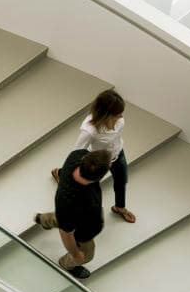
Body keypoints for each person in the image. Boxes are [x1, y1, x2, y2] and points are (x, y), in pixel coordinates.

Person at [52, 89, 136, 223]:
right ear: (106, 113)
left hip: (118, 154)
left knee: (121, 181)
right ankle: (60, 174)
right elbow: (76, 153)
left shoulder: (119, 120)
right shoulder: (90, 131)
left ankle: (120, 207)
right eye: (117, 114)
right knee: (87, 190)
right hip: (98, 162)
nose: (121, 116)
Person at [35, 148, 110, 279]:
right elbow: (66, 235)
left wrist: (61, 175)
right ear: (100, 177)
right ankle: (65, 264)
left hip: (72, 216)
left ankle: (43, 219)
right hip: (82, 232)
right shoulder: (70, 203)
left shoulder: (78, 155)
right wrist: (75, 254)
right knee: (87, 255)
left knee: (62, 219)